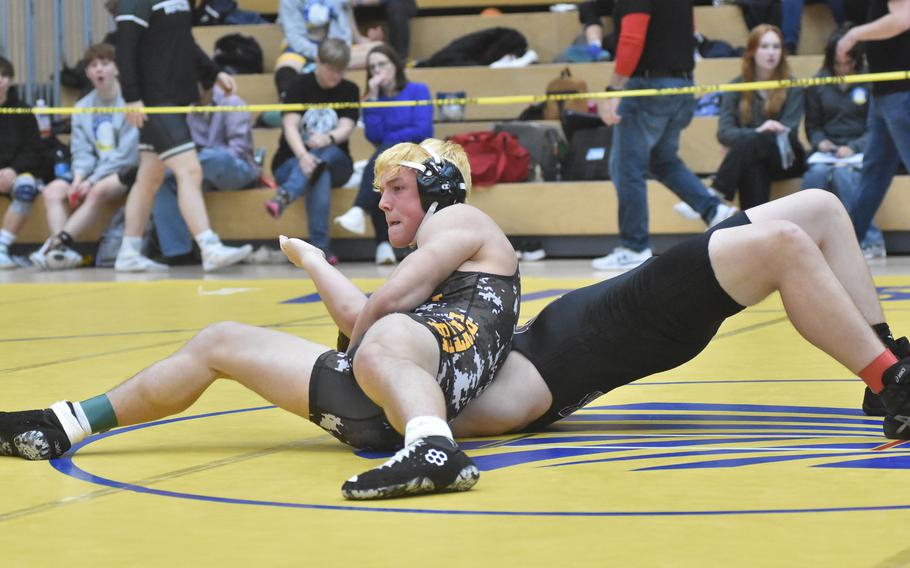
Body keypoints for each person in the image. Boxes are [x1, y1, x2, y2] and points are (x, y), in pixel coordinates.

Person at [0, 139, 522, 502]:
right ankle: (64, 424)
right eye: (380, 189)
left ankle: (433, 449)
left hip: (422, 390)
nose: (381, 202)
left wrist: (356, 350)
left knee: (371, 332)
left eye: (397, 189)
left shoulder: (459, 218)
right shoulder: (445, 265)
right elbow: (359, 315)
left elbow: (383, 306)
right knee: (219, 341)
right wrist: (315, 262)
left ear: (438, 189)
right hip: (401, 396)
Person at [592, 0, 737, 271]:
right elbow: (691, 31)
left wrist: (614, 87)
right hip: (682, 85)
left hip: (650, 86)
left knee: (625, 167)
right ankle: (713, 210)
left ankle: (634, 246)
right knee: (661, 159)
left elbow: (632, 37)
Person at [110, 0, 252, 272]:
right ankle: (209, 246)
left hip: (174, 100)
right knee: (190, 171)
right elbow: (125, 49)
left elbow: (183, 42)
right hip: (154, 102)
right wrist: (132, 97)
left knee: (149, 178)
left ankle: (128, 251)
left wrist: (213, 72)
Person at [30, 43, 139, 271]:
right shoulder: (82, 106)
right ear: (88, 73)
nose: (99, 69)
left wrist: (91, 181)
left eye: (105, 64)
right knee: (53, 191)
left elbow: (126, 155)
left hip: (126, 171)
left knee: (97, 190)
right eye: (93, 65)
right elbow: (81, 151)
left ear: (117, 69)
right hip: (92, 173)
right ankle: (63, 254)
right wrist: (79, 178)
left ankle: (57, 244)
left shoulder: (131, 102)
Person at [333, 44, 433, 265]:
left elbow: (423, 129)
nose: (377, 70)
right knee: (384, 172)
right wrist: (375, 97)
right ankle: (383, 243)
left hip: (417, 154)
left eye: (382, 64)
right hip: (390, 158)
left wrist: (391, 139)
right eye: (372, 67)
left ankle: (361, 213)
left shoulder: (418, 90)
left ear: (395, 65)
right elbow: (373, 135)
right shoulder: (372, 98)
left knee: (383, 161)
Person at [264, 39, 360, 265]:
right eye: (331, 69)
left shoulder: (349, 89)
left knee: (326, 158)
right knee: (319, 172)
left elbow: (347, 126)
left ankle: (286, 194)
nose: (336, 76)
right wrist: (303, 156)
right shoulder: (298, 85)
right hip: (291, 162)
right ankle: (320, 248)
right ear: (318, 61)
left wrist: (327, 138)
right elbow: (289, 126)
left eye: (341, 70)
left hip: (337, 160)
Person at [151, 84, 261, 263]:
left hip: (237, 169)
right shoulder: (185, 107)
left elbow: (239, 150)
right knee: (165, 180)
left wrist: (196, 159)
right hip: (203, 172)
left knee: (216, 158)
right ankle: (178, 254)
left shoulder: (231, 102)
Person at [800, 27, 884, 260]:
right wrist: (820, 143)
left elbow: (876, 128)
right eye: (838, 65)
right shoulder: (818, 83)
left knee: (843, 176)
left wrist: (854, 148)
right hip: (828, 151)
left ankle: (870, 241)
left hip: (859, 149)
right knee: (815, 175)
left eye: (849, 64)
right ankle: (802, 241)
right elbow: (812, 126)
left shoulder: (870, 80)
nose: (844, 69)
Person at [836, 0, 910, 250]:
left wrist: (854, 35)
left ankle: (844, 245)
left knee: (874, 175)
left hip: (901, 93)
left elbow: (903, 19)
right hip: (885, 94)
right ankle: (844, 248)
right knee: (873, 174)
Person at [712, 24, 806, 210]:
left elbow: (790, 132)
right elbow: (723, 133)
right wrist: (759, 131)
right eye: (764, 47)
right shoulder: (736, 86)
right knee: (752, 165)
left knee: (752, 146)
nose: (771, 52)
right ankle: (756, 231)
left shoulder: (793, 85)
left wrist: (753, 137)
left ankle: (716, 194)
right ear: (752, 51)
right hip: (753, 159)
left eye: (776, 47)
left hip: (787, 157)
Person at [0, 56, 54, 270]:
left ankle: (2, 248)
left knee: (26, 188)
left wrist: (12, 170)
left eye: (4, 75)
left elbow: (34, 150)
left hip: (16, 174)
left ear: (10, 80)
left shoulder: (23, 111)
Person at [273, 0, 383, 102]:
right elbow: (294, 37)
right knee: (285, 67)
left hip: (337, 49)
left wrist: (361, 39)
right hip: (301, 49)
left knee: (380, 52)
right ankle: (291, 108)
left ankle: (372, 101)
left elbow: (344, 28)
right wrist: (322, 55)